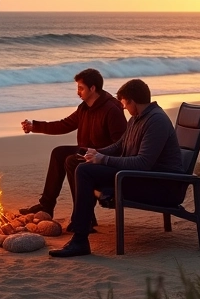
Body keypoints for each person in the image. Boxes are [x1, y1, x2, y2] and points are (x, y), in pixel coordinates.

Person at [49, 78, 185, 258]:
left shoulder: (156, 121)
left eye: (124, 104)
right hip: (141, 178)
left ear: (132, 101)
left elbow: (142, 163)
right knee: (79, 163)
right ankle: (82, 225)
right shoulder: (137, 118)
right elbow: (119, 146)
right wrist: (94, 153)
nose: (124, 108)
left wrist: (103, 159)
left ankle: (80, 240)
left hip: (161, 186)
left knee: (85, 171)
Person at [18, 68, 127, 219]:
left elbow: (121, 145)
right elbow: (64, 125)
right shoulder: (84, 107)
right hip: (87, 152)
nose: (78, 92)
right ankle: (47, 206)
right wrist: (34, 126)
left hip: (104, 158)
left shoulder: (111, 109)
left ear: (93, 88)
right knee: (58, 153)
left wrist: (99, 155)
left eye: (81, 88)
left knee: (72, 160)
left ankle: (83, 216)